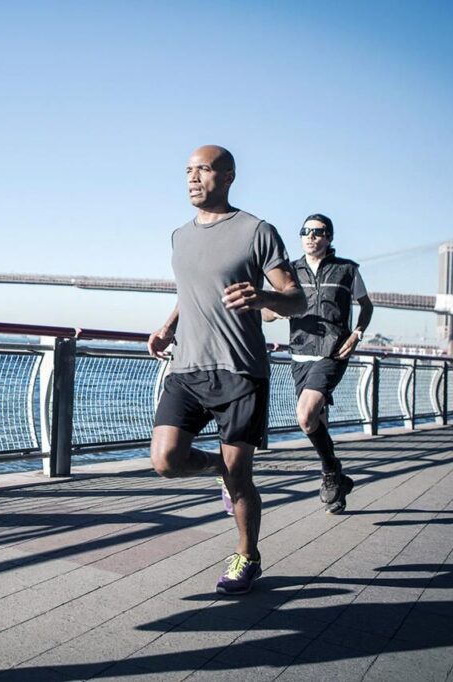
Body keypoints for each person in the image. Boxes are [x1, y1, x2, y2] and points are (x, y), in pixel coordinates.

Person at [147, 145, 307, 595]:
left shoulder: (257, 231)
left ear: (229, 175)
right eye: (187, 171)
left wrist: (264, 298)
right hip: (188, 367)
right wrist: (166, 327)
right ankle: (221, 469)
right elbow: (193, 290)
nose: (192, 178)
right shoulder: (179, 235)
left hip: (241, 371)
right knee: (165, 460)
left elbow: (297, 298)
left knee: (242, 479)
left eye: (203, 169)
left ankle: (247, 555)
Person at [262, 214, 372, 513]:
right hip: (299, 353)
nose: (311, 236)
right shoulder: (289, 271)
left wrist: (357, 333)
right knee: (316, 421)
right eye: (306, 231)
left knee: (305, 415)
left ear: (329, 237)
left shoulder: (347, 270)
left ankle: (329, 472)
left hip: (333, 352)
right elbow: (265, 312)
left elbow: (366, 305)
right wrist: (279, 310)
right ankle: (337, 484)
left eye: (319, 232)